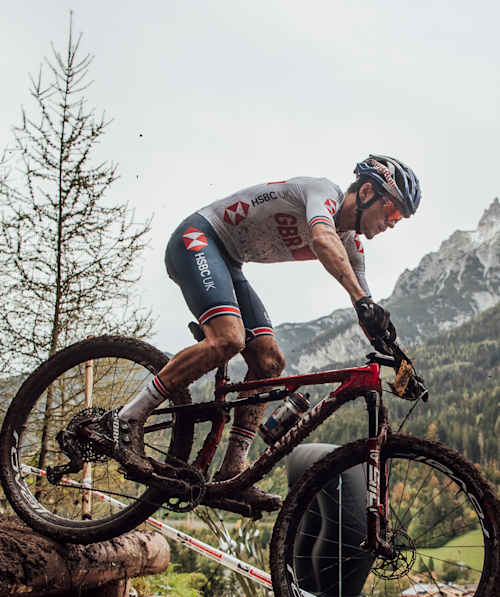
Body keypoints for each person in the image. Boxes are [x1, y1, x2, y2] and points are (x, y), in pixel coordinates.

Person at [93, 154, 421, 509]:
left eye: (399, 218)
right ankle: (126, 418)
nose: (392, 222)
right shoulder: (323, 194)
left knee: (269, 362)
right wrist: (361, 301)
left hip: (229, 261)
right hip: (198, 238)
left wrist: (399, 359)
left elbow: (367, 309)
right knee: (228, 338)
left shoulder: (353, 245)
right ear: (368, 190)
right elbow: (323, 240)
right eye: (392, 210)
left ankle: (233, 472)